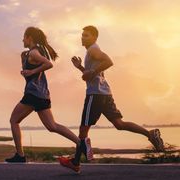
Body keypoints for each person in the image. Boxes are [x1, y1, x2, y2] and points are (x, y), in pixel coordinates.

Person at [58, 25, 165, 173]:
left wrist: (91, 72)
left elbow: (108, 61)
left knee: (83, 131)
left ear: (95, 37)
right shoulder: (92, 51)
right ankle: (150, 134)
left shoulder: (93, 49)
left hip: (95, 95)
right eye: (82, 35)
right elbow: (92, 76)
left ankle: (76, 162)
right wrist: (81, 68)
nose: (82, 37)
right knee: (119, 124)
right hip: (105, 94)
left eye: (86, 35)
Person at [5, 27, 85, 172]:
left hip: (33, 94)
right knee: (52, 126)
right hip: (42, 95)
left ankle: (20, 155)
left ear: (29, 38)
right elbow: (33, 72)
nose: (22, 40)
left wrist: (31, 70)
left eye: (24, 37)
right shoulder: (32, 53)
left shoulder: (34, 52)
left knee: (13, 120)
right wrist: (25, 66)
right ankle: (80, 143)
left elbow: (49, 64)